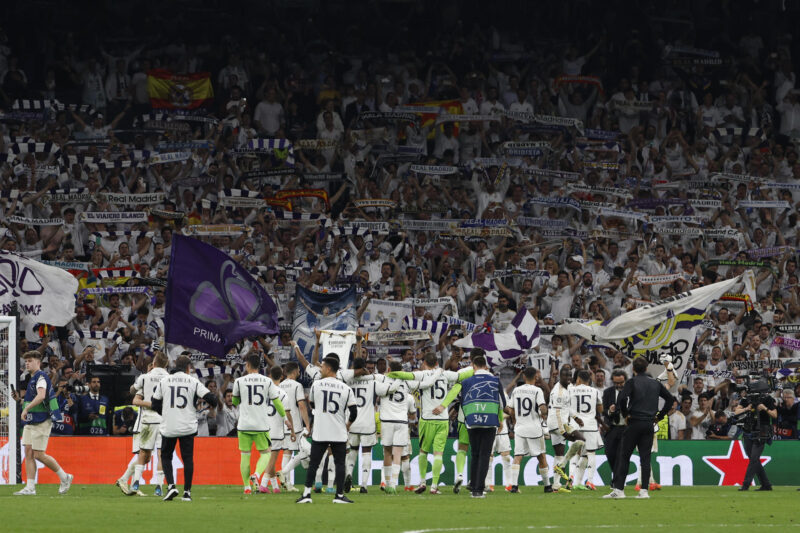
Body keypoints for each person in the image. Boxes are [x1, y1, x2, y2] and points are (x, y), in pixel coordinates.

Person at [388, 352, 473, 495]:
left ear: (425, 363)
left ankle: (422, 482)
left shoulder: (422, 374)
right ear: (438, 363)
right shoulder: (445, 374)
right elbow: (461, 376)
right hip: (442, 419)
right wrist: (475, 368)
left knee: (423, 451)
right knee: (438, 453)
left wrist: (390, 374)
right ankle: (434, 486)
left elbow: (406, 376)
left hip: (427, 418)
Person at [604, 357, 674, 499]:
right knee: (645, 458)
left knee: (624, 456)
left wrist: (625, 414)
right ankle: (644, 491)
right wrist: (659, 417)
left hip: (634, 422)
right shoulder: (655, 384)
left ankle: (619, 490)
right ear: (647, 368)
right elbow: (670, 399)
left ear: (633, 369)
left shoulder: (632, 382)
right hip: (649, 423)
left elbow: (622, 399)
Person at [151, 355, 219, 502]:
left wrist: (167, 413)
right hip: (187, 425)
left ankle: (171, 486)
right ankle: (187, 492)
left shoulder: (164, 381)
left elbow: (154, 404)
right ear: (188, 368)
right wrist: (198, 406)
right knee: (188, 458)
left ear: (175, 365)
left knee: (166, 456)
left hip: (169, 425)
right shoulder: (193, 381)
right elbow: (213, 400)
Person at [296, 356, 358, 504]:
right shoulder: (346, 388)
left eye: (322, 366)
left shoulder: (316, 385)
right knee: (340, 464)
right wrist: (347, 425)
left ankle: (306, 495)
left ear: (329, 368)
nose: (320, 369)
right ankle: (340, 496)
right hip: (339, 432)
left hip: (321, 431)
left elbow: (312, 404)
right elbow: (354, 412)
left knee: (314, 464)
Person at [14, 351, 73, 496]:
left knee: (39, 454)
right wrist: (20, 401)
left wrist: (26, 408)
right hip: (31, 419)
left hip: (41, 419)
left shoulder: (41, 377)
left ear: (38, 362)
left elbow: (41, 397)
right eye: (26, 361)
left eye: (30, 360)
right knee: (28, 452)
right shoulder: (33, 378)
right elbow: (35, 400)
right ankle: (30, 487)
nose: (27, 363)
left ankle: (64, 477)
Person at [233, 354, 292, 495]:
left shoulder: (239, 381)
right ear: (259, 366)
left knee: (245, 456)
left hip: (244, 425)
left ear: (247, 365)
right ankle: (257, 475)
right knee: (266, 454)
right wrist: (285, 419)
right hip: (261, 425)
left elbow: (234, 402)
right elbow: (277, 402)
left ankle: (247, 487)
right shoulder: (267, 381)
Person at [117, 352, 169, 496]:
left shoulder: (144, 379)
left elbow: (132, 392)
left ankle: (126, 479)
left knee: (144, 456)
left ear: (154, 363)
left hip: (146, 421)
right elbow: (135, 400)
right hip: (147, 422)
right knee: (145, 455)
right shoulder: (166, 379)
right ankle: (126, 479)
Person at [458, 352, 506, 498]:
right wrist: (500, 419)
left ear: (473, 366)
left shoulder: (466, 382)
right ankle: (478, 490)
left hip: (472, 421)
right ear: (485, 366)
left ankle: (473, 484)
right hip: (490, 421)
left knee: (475, 454)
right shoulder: (495, 380)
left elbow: (461, 402)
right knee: (485, 454)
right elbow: (502, 403)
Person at [507, 367, 550, 493]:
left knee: (518, 456)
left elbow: (509, 408)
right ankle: (547, 486)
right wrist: (544, 414)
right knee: (541, 456)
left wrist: (514, 418)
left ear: (524, 377)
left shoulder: (516, 390)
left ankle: (514, 486)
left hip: (519, 428)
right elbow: (542, 408)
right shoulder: (537, 391)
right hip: (534, 429)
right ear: (535, 377)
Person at [733, 379, 777, 491]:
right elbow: (736, 412)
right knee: (754, 459)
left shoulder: (767, 399)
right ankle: (766, 484)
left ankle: (745, 485)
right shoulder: (746, 400)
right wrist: (747, 408)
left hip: (762, 429)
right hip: (748, 430)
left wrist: (765, 408)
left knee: (754, 459)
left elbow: (775, 415)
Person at [258, 365, 295, 493]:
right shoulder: (283, 394)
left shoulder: (263, 391)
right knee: (272, 460)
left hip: (263, 429)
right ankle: (262, 483)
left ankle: (274, 486)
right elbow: (288, 414)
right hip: (276, 431)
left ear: (269, 376)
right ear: (282, 377)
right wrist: (293, 430)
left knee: (269, 459)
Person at [567, 370, 603, 490]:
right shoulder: (595, 391)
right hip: (590, 425)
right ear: (590, 380)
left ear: (578, 379)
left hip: (574, 425)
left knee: (573, 452)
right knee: (590, 453)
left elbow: (565, 407)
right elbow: (600, 409)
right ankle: (590, 481)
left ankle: (571, 478)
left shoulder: (570, 390)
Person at [278, 361, 311, 492]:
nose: (299, 372)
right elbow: (302, 406)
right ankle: (283, 473)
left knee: (287, 451)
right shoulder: (297, 386)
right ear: (295, 371)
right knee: (305, 452)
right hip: (295, 425)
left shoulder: (279, 385)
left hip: (282, 424)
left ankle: (286, 483)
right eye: (298, 370)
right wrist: (307, 424)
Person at [602, 370, 627, 477]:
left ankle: (617, 480)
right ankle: (616, 476)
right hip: (611, 428)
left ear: (625, 380)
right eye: (616, 383)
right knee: (609, 453)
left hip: (626, 428)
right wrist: (609, 411)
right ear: (613, 381)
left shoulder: (631, 391)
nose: (619, 385)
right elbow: (603, 409)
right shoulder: (608, 392)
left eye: (621, 382)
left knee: (621, 455)